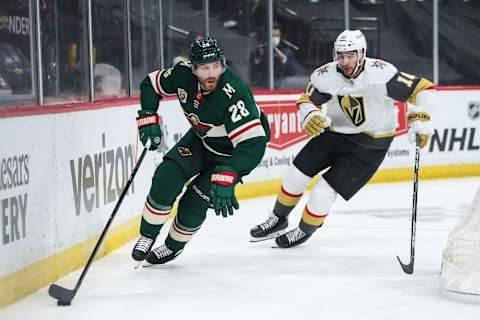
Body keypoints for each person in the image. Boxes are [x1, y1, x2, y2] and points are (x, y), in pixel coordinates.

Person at [250, 30, 435, 248]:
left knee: (323, 191)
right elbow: (306, 100)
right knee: (296, 174)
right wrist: (310, 114)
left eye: (350, 55)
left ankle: (304, 229)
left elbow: (422, 88)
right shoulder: (326, 74)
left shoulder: (381, 73)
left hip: (371, 143)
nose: (345, 61)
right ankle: (278, 218)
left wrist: (420, 116)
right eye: (340, 55)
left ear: (362, 53)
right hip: (335, 133)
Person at [132, 37, 270, 264]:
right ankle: (148, 235)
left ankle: (172, 246)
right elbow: (151, 83)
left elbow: (253, 144)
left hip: (230, 154)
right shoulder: (181, 75)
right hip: (201, 140)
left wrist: (231, 172)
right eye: (205, 68)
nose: (212, 73)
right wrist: (148, 116)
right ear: (193, 67)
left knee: (194, 203)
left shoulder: (234, 91)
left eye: (216, 65)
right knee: (167, 176)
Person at [249, 23, 302, 87]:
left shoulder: (287, 52)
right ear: (267, 36)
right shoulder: (257, 52)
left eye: (277, 36)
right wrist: (258, 59)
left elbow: (295, 72)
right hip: (263, 87)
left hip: (282, 86)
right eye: (272, 36)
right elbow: (251, 76)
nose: (275, 38)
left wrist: (284, 60)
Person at [0, 8, 32, 94]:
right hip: (8, 98)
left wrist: (23, 71)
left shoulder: (15, 49)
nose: (4, 27)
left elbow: (34, 73)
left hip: (27, 94)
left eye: (7, 24)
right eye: (1, 24)